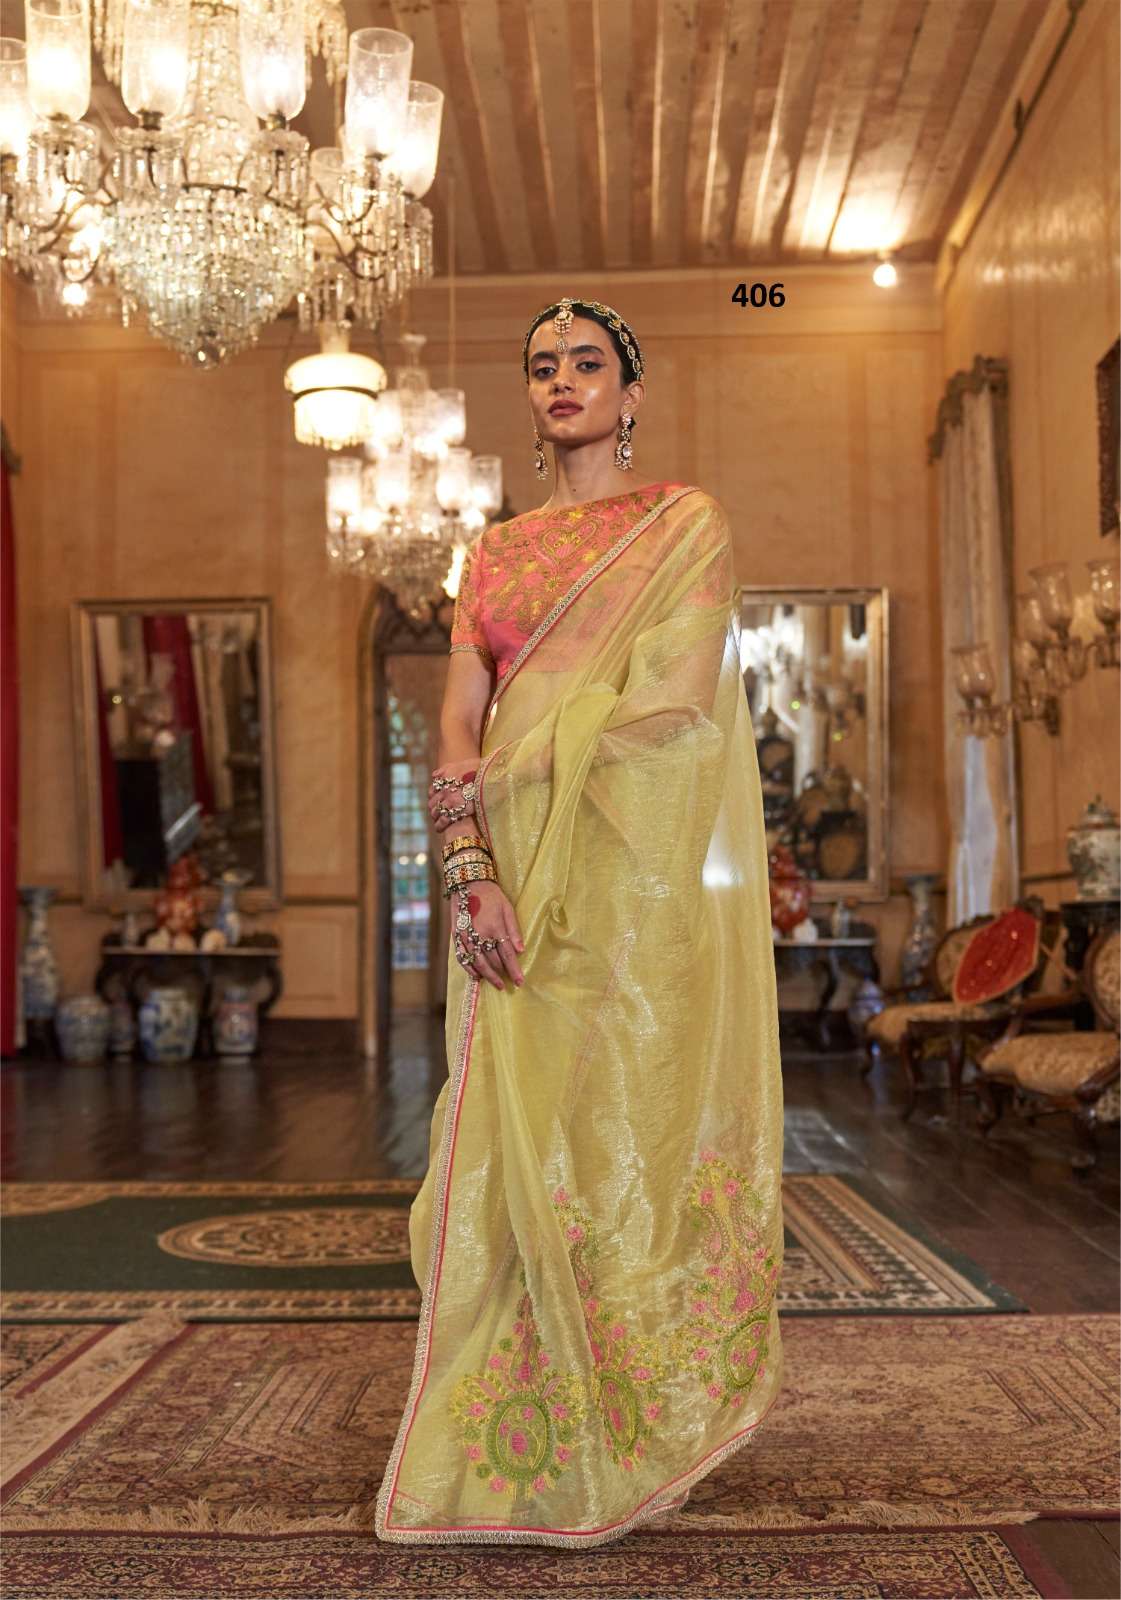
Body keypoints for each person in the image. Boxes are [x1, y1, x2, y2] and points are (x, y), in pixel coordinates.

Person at [374, 297, 785, 1548]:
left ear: (629, 392)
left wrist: (529, 768)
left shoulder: (682, 523)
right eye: (541, 365)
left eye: (587, 363)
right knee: (499, 1148)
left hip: (619, 885)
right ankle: (506, 1435)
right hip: (506, 872)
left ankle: (628, 1413)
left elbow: (675, 710)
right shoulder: (491, 554)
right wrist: (470, 870)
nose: (561, 380)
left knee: (611, 1136)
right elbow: (457, 722)